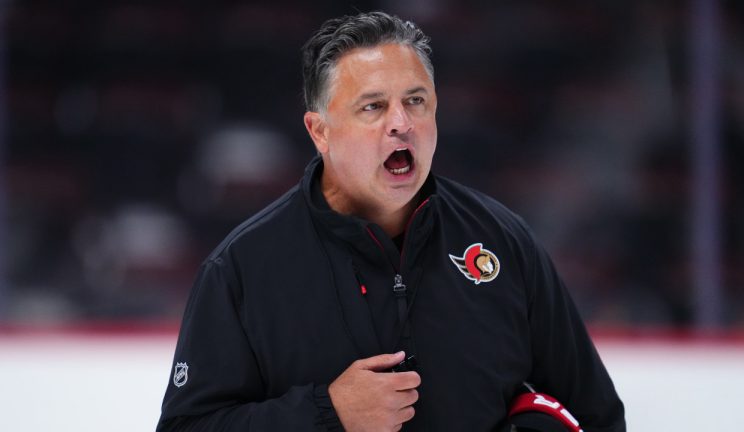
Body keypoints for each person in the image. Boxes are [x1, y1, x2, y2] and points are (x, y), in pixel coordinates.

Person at [157, 11, 625, 432]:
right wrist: (326, 413)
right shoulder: (244, 268)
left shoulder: (503, 241)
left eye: (416, 101)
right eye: (373, 106)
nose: (401, 123)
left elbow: (596, 416)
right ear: (319, 131)